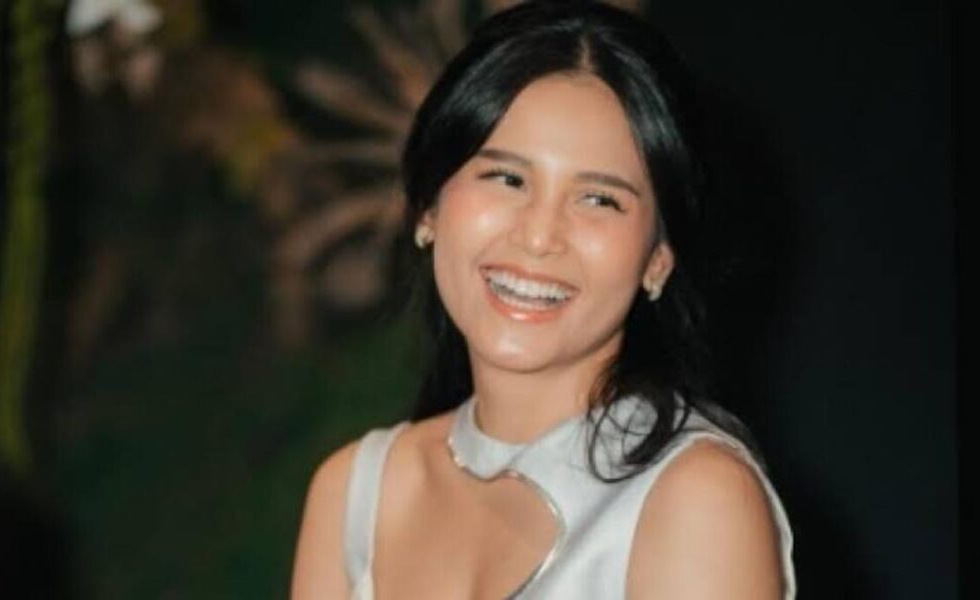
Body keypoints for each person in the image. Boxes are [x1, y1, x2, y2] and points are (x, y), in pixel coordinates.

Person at [291, 1, 796, 598]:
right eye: (507, 179)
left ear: (658, 258)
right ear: (428, 208)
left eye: (599, 199)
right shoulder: (352, 493)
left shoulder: (694, 499)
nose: (538, 236)